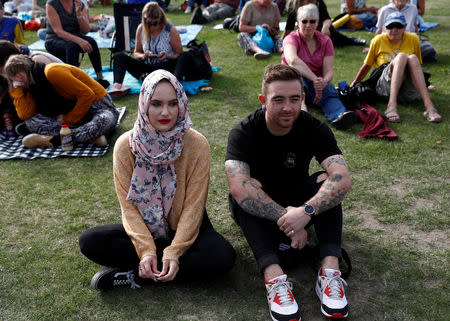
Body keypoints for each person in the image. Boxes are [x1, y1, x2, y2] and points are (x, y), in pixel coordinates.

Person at [79, 70, 236, 290]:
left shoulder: (196, 144)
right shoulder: (126, 146)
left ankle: (135, 274)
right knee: (90, 241)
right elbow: (129, 208)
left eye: (173, 104)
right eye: (156, 104)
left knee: (223, 256)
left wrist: (174, 251)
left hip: (185, 224)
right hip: (145, 225)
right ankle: (157, 267)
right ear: (144, 104)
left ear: (181, 104)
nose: (166, 112)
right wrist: (145, 250)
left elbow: (194, 206)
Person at [225, 64, 351, 320]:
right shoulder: (243, 132)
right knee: (247, 192)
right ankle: (274, 278)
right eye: (278, 99)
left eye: (294, 99)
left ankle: (329, 271)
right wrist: (292, 220)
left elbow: (342, 177)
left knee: (328, 182)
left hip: (300, 203)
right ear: (263, 101)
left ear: (302, 99)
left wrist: (306, 211)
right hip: (261, 212)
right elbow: (239, 187)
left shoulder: (313, 127)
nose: (287, 107)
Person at [4, 55, 119, 147]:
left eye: (13, 81)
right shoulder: (31, 85)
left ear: (19, 76)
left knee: (105, 121)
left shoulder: (52, 71)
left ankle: (53, 140)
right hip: (73, 114)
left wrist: (69, 119)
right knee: (31, 122)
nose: (14, 84)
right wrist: (18, 90)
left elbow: (87, 95)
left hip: (97, 106)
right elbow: (25, 114)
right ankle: (90, 137)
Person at [351, 12, 441, 123]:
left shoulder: (413, 38)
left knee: (412, 58)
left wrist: (426, 85)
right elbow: (367, 66)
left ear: (405, 27)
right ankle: (391, 105)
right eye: (390, 26)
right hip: (384, 89)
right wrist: (354, 84)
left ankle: (429, 106)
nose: (394, 29)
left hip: (407, 93)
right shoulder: (378, 40)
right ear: (385, 27)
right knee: (402, 56)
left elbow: (417, 68)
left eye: (398, 26)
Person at [282, 4, 357, 129]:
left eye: (312, 21)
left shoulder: (325, 41)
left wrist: (323, 81)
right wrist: (315, 79)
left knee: (329, 91)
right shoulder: (291, 39)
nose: (308, 25)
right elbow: (293, 61)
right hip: (294, 80)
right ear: (297, 22)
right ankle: (302, 111)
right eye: (304, 21)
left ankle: (339, 116)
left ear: (317, 23)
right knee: (297, 80)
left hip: (316, 84)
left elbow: (328, 70)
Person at [109, 2, 183, 97]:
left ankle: (173, 84)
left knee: (185, 57)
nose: (152, 26)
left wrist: (167, 56)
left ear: (161, 19)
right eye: (149, 23)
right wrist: (144, 55)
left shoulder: (170, 30)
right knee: (119, 56)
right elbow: (136, 52)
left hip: (166, 66)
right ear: (145, 20)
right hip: (147, 66)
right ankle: (117, 86)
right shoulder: (141, 28)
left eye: (156, 22)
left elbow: (179, 54)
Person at [45, 0, 108, 88]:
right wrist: (79, 41)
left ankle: (100, 78)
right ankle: (73, 82)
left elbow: (85, 30)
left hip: (74, 37)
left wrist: (79, 14)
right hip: (54, 40)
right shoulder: (52, 4)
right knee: (72, 46)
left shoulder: (79, 3)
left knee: (92, 42)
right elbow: (58, 31)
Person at [283, 0, 366, 47]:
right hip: (304, 29)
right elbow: (289, 26)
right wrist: (284, 42)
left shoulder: (318, 2)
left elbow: (327, 19)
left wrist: (325, 27)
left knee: (329, 30)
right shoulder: (293, 4)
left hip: (319, 26)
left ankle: (350, 41)